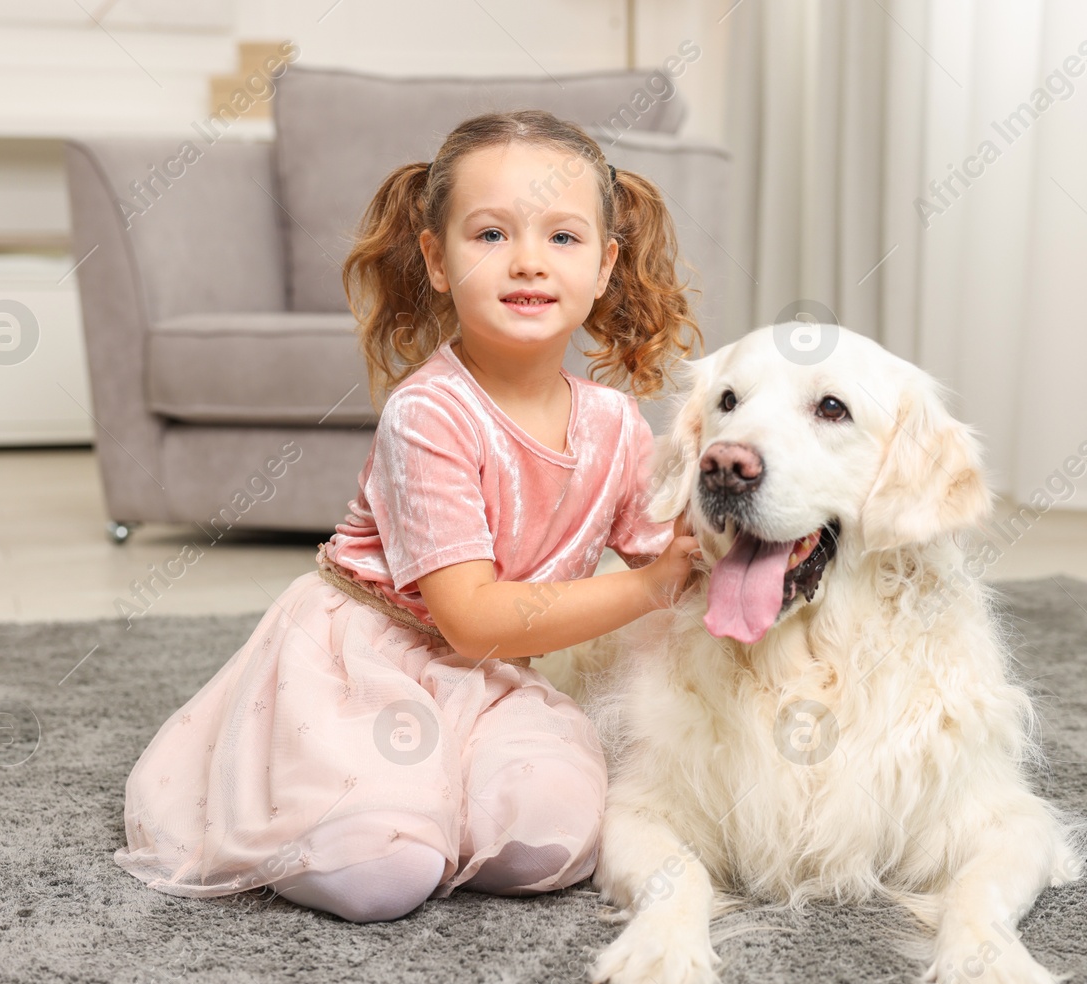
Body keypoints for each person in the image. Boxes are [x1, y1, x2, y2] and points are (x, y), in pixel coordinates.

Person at [112, 109, 705, 923]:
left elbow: (673, 553)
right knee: (382, 877)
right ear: (435, 258)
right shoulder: (429, 413)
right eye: (490, 234)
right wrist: (654, 588)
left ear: (605, 267)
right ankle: (362, 817)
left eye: (563, 239)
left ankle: (440, 797)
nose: (529, 260)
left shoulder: (615, 423)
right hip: (368, 662)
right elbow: (469, 618)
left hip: (495, 678)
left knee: (553, 842)